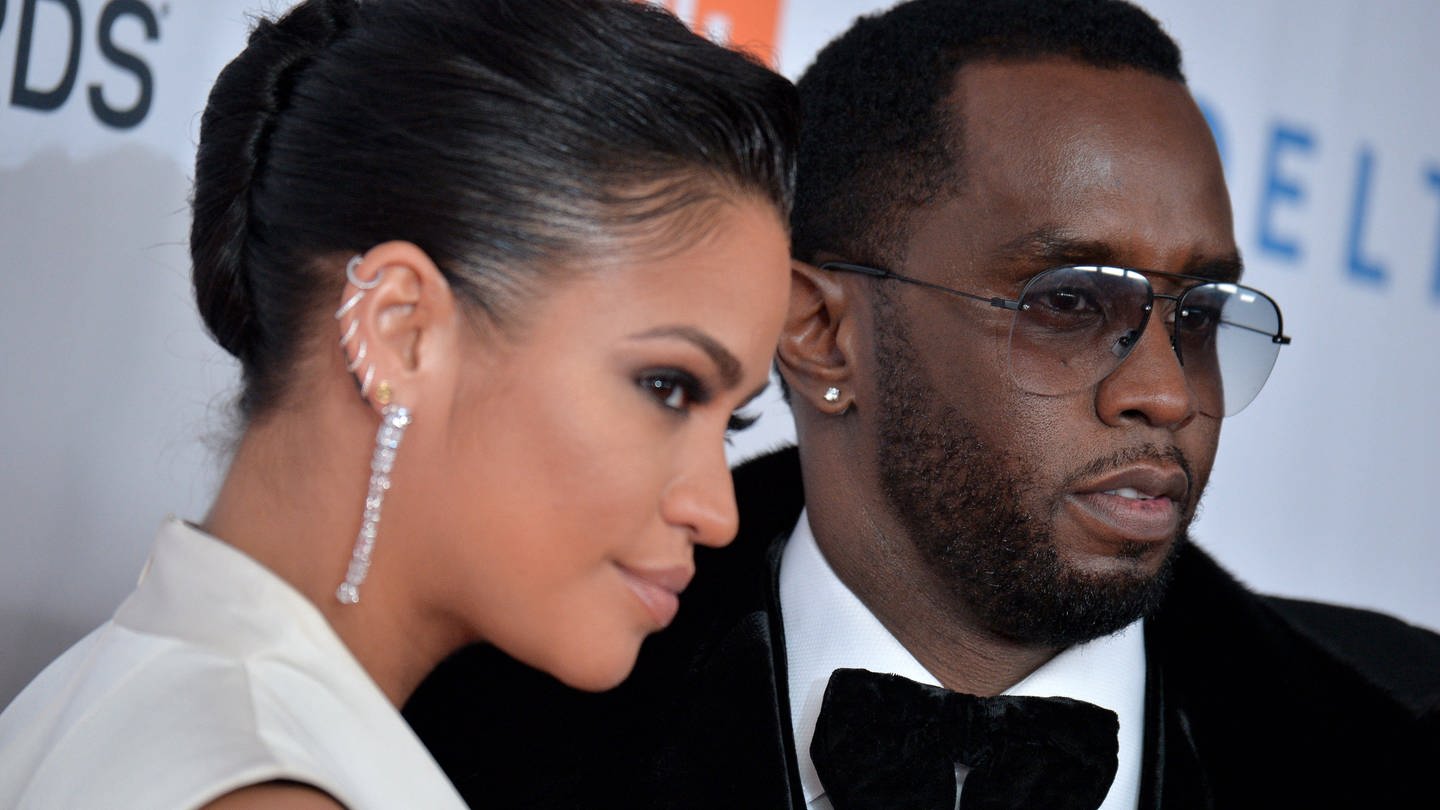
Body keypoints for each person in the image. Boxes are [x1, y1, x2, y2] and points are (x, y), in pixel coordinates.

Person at [404, 0, 1440, 807]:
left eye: (1201, 315)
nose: (1166, 393)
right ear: (819, 334)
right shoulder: (473, 724)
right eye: (1070, 303)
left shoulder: (1398, 738)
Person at [0, 0, 798, 807]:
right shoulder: (271, 784)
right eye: (667, 387)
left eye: (730, 419)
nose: (716, 511)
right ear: (400, 330)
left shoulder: (119, 690)